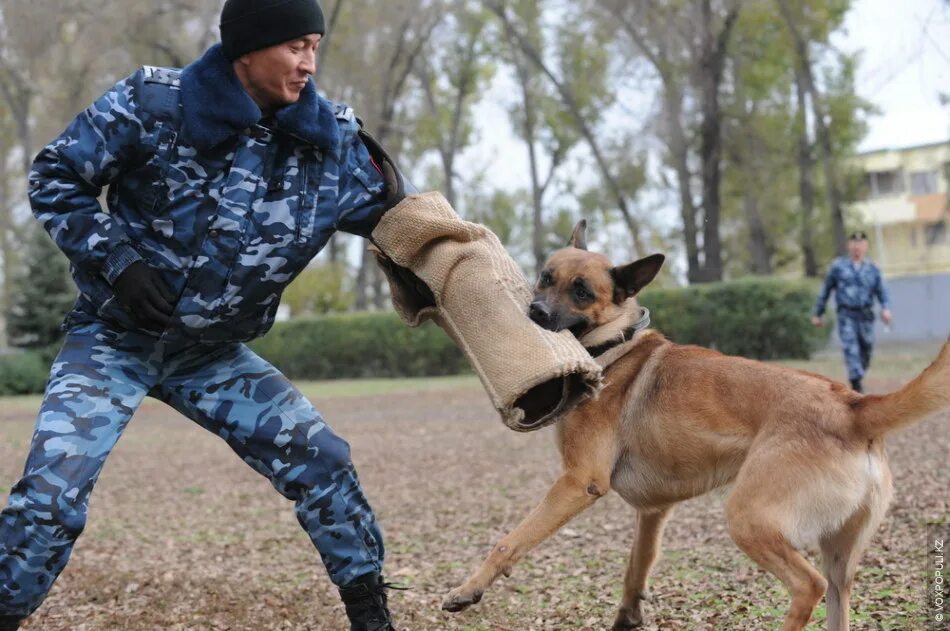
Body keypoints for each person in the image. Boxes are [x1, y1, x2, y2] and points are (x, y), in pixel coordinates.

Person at [0, 1, 418, 629]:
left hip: (212, 355)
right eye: (295, 46)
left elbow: (406, 225)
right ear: (247, 48)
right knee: (51, 501)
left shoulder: (329, 143)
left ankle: (371, 614)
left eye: (314, 45)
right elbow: (56, 175)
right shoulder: (152, 102)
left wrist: (472, 281)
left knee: (323, 458)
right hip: (113, 340)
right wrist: (118, 260)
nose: (310, 63)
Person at [811, 231, 893, 393]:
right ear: (849, 246)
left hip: (865, 316)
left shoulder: (873, 269)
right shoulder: (838, 267)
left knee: (866, 349)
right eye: (854, 243)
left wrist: (886, 308)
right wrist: (817, 313)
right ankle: (856, 382)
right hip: (846, 315)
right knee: (851, 349)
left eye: (861, 243)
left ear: (866, 246)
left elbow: (882, 292)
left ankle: (858, 374)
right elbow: (825, 291)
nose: (857, 247)